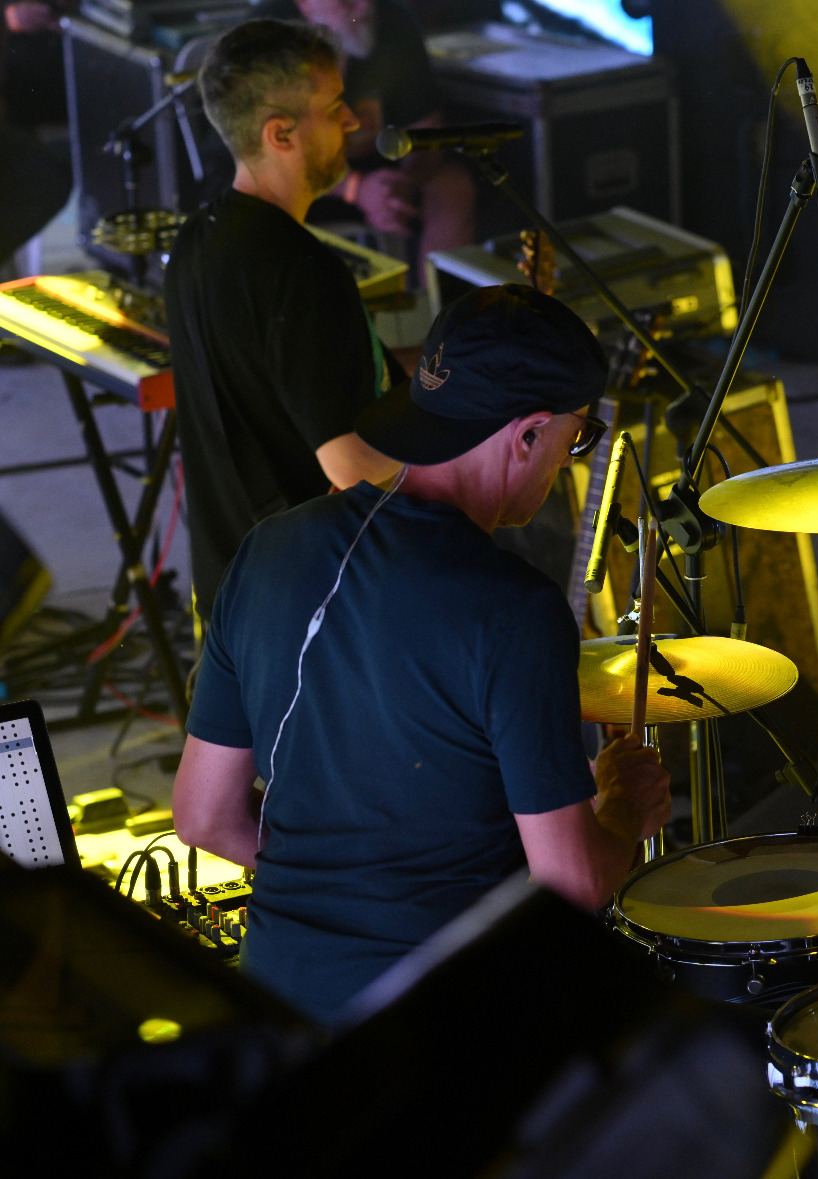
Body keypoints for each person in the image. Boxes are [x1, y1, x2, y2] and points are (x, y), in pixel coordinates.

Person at [172, 283, 671, 1025]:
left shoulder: (268, 548)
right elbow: (570, 884)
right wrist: (625, 808)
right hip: (438, 1031)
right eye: (577, 440)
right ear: (528, 434)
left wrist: (332, 885)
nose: (568, 463)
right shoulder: (513, 610)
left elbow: (203, 816)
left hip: (274, 1007)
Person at [167, 19, 402, 622]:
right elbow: (353, 467)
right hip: (308, 607)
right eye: (334, 106)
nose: (351, 121)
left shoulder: (197, 240)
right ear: (281, 133)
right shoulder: (302, 271)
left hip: (229, 595)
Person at [261, 0, 476, 260]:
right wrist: (357, 189)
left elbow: (425, 125)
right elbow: (270, 156)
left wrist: (401, 188)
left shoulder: (392, 20)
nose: (364, 7)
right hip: (301, 180)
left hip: (381, 173)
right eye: (346, 2)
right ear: (305, 4)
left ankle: (437, 287)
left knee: (452, 187)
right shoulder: (266, 36)